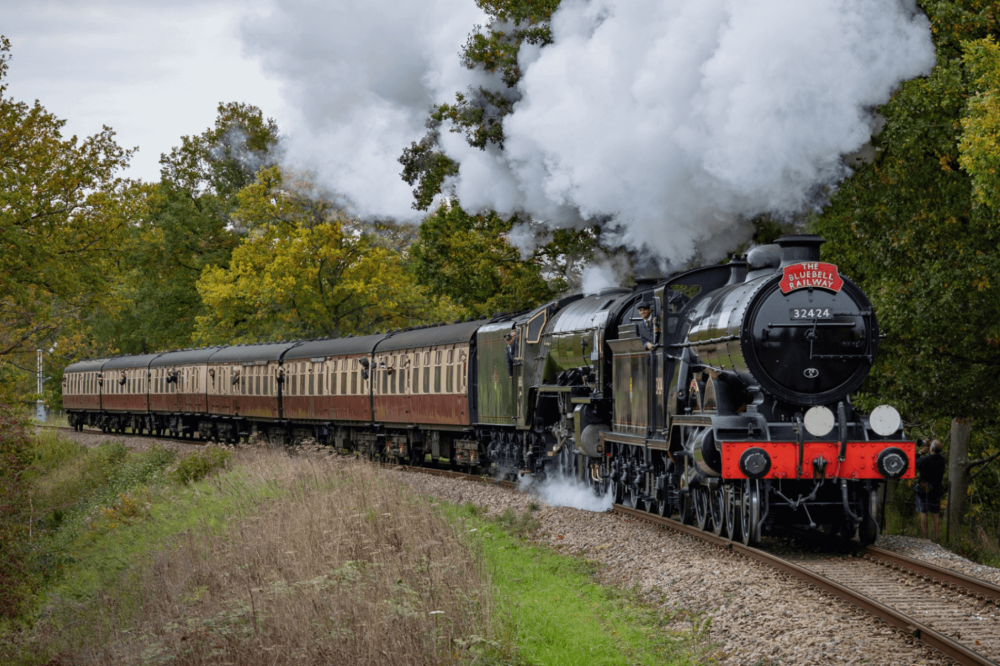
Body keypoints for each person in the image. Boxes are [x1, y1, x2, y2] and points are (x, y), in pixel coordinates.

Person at [915, 439, 947, 541]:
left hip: (924, 489)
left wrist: (920, 453)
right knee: (935, 513)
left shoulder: (925, 459)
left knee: (923, 512)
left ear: (931, 448)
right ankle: (936, 537)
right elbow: (935, 454)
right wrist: (931, 446)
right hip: (936, 490)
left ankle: (925, 536)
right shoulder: (942, 460)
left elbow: (915, 463)